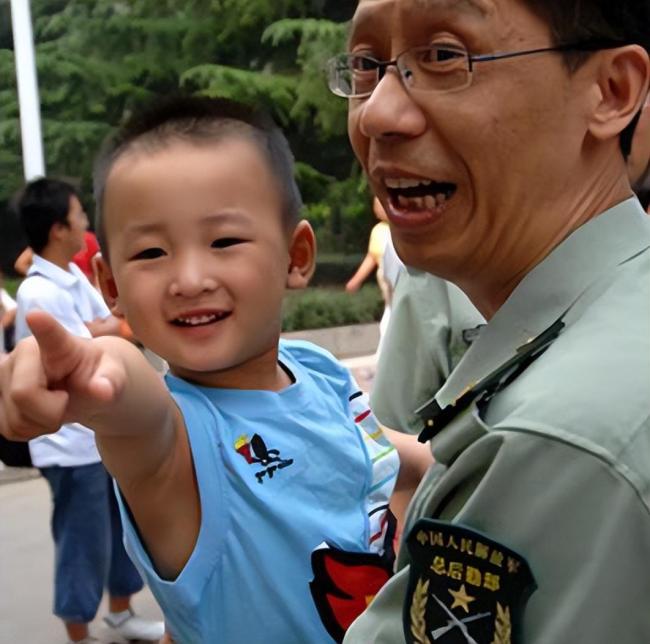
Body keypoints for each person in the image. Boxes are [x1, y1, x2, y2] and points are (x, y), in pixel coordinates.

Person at [0, 96, 432, 644]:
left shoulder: (317, 371)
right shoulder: (176, 441)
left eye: (224, 241)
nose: (189, 277)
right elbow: (133, 406)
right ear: (111, 287)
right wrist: (91, 368)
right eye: (152, 253)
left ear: (296, 256)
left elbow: (396, 455)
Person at [325, 0, 650, 642]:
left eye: (445, 56)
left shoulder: (554, 442)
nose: (378, 113)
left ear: (610, 92)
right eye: (366, 66)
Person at [10, 178, 164, 644]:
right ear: (58, 228)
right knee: (81, 541)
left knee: (120, 530)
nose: (84, 223)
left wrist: (107, 330)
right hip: (70, 446)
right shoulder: (40, 294)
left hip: (100, 436)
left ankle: (120, 613)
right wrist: (108, 330)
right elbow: (97, 342)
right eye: (78, 216)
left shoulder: (73, 277)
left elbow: (108, 327)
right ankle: (78, 634)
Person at [346, 197, 402, 351]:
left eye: (381, 204)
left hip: (403, 278)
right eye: (376, 204)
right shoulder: (378, 231)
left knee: (395, 314)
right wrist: (356, 280)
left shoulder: (402, 230)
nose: (377, 208)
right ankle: (386, 352)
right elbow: (371, 258)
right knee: (391, 312)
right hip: (387, 278)